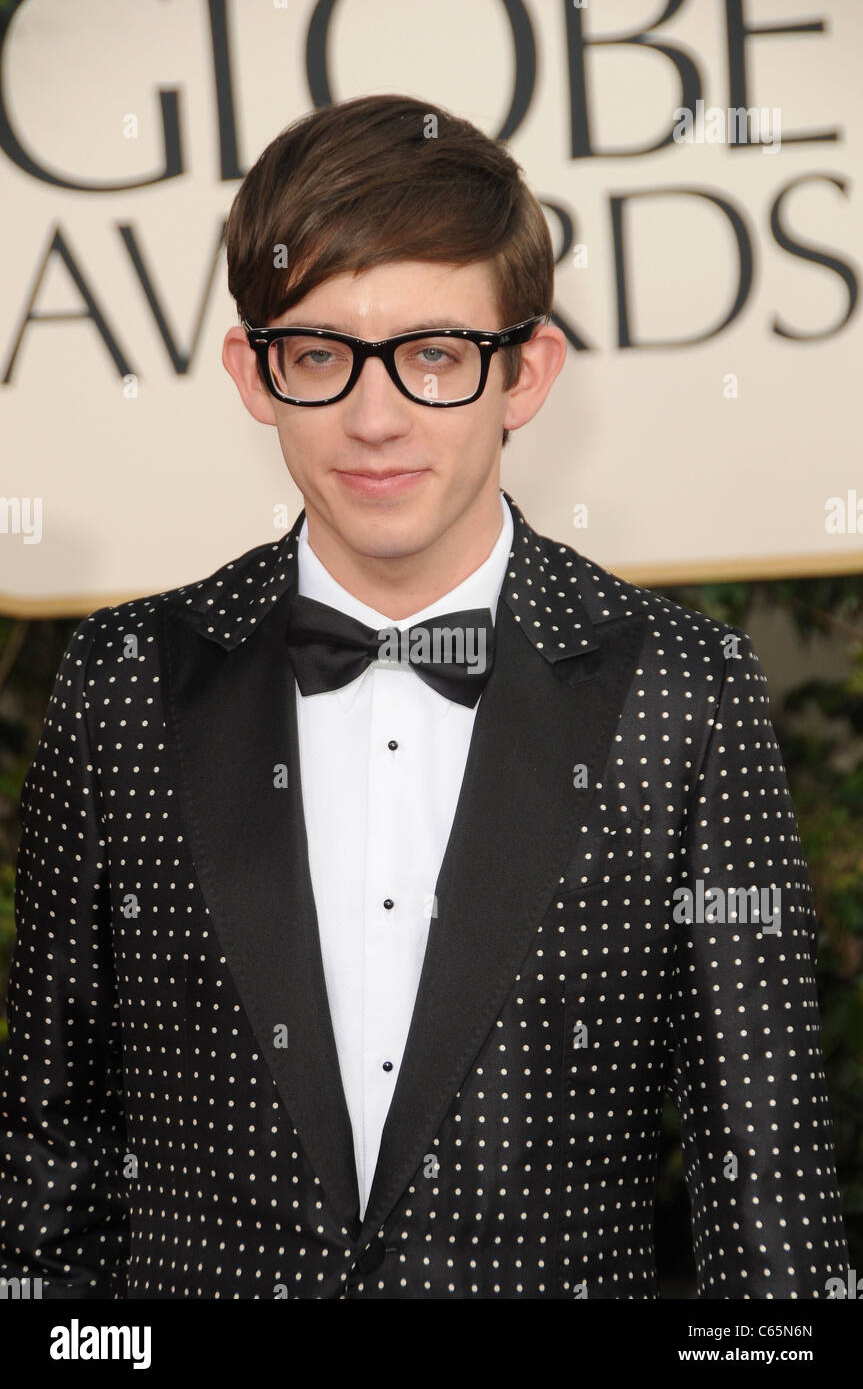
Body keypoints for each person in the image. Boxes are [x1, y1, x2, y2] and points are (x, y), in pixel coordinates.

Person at [0, 93, 848, 1299]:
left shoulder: (682, 691)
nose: (375, 415)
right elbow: (47, 1166)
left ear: (526, 372)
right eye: (319, 354)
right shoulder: (124, 681)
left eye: (436, 355)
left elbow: (767, 1198)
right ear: (253, 371)